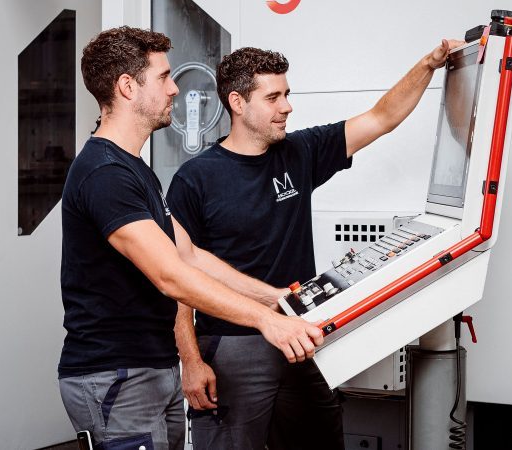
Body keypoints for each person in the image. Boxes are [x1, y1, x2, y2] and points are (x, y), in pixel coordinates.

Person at [167, 39, 465, 450]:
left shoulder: (299, 153)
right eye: (273, 97)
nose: (286, 106)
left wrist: (428, 64)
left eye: (286, 95)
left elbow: (382, 118)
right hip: (232, 346)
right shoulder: (195, 179)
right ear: (237, 102)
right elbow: (178, 278)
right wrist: (191, 361)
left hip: (300, 336)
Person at [57, 27, 323, 450]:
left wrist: (276, 299)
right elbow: (171, 276)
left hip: (150, 366)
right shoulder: (104, 174)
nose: (175, 89)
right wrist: (266, 320)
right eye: (163, 77)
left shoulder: (133, 169)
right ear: (128, 86)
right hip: (116, 374)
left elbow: (191, 255)